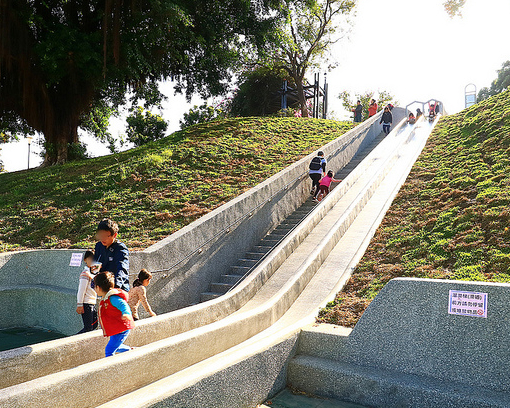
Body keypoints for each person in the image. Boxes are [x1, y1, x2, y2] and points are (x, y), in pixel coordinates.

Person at [94, 271, 135, 357]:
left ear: (98, 287)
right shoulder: (106, 298)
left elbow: (123, 305)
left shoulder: (112, 298)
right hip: (116, 328)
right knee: (117, 346)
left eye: (94, 286)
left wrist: (126, 313)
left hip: (122, 329)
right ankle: (130, 351)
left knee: (109, 350)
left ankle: (110, 369)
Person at [94, 219, 130, 292]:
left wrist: (115, 286)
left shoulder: (120, 248)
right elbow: (95, 264)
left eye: (106, 236)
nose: (102, 238)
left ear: (115, 235)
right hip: (103, 289)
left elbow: (122, 269)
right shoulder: (99, 246)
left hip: (118, 289)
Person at [76, 250, 98, 333]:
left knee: (94, 325)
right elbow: (81, 290)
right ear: (85, 260)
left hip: (92, 302)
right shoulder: (85, 273)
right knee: (88, 327)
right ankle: (73, 340)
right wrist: (80, 304)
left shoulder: (92, 273)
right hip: (86, 303)